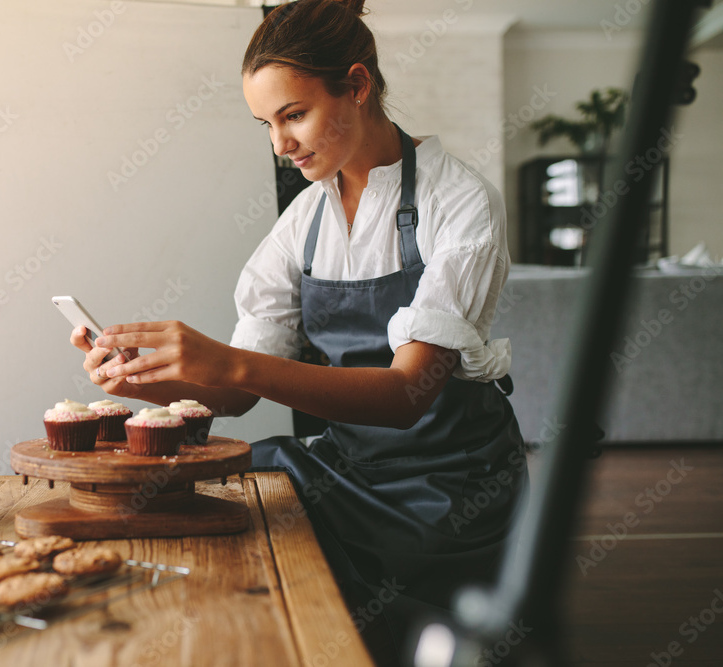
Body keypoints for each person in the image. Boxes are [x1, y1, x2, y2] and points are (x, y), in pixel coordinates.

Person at [71, 0, 525, 661]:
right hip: (350, 466)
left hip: (448, 488)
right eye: (266, 123)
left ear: (358, 85)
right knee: (207, 502)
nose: (280, 144)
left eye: (294, 115)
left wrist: (223, 361)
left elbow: (407, 395)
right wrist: (143, 375)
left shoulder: (458, 203)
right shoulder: (304, 222)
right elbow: (235, 394)